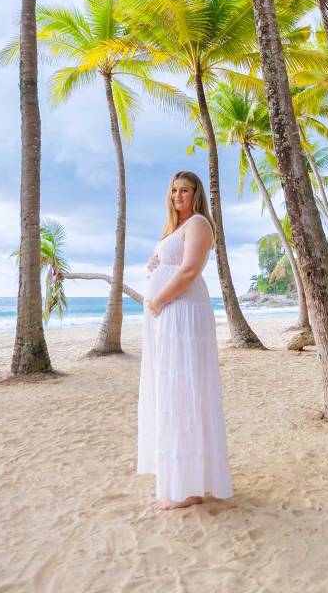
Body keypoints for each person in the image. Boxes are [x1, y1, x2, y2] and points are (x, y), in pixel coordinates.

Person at [137, 170, 234, 511]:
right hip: (169, 317)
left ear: (196, 193)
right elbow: (173, 261)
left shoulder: (199, 224)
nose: (177, 195)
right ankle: (185, 481)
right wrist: (157, 262)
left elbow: (191, 270)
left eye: (184, 190)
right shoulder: (175, 229)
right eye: (173, 189)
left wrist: (159, 300)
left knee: (185, 395)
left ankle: (187, 489)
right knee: (171, 395)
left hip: (182, 314)